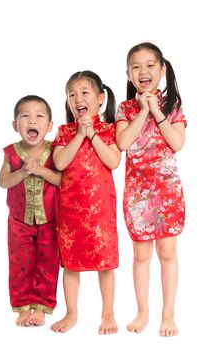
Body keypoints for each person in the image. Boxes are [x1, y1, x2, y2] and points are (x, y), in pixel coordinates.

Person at [115, 42, 186, 337]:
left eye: (149, 65)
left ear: (162, 69)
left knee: (168, 253)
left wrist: (156, 110)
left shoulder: (172, 106)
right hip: (137, 195)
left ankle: (168, 312)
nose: (143, 72)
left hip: (167, 192)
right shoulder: (124, 107)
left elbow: (177, 143)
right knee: (141, 255)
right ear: (129, 73)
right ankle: (142, 311)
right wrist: (142, 110)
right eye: (136, 66)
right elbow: (122, 143)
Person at [50, 70, 121, 335]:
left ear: (101, 99)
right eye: (72, 94)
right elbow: (59, 163)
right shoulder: (65, 131)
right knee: (70, 264)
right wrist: (80, 134)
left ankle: (108, 313)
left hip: (101, 210)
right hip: (70, 210)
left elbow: (113, 161)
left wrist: (92, 135)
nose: (77, 98)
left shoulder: (109, 129)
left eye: (84, 92)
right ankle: (71, 313)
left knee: (105, 264)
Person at [0, 95, 61, 326]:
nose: (32, 121)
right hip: (19, 221)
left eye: (39, 116)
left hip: (49, 220)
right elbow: (2, 181)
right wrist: (22, 173)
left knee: (47, 264)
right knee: (20, 264)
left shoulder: (55, 151)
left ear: (49, 125)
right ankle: (23, 306)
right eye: (25, 116)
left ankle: (42, 307)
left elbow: (61, 180)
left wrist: (42, 171)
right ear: (16, 125)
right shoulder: (11, 153)